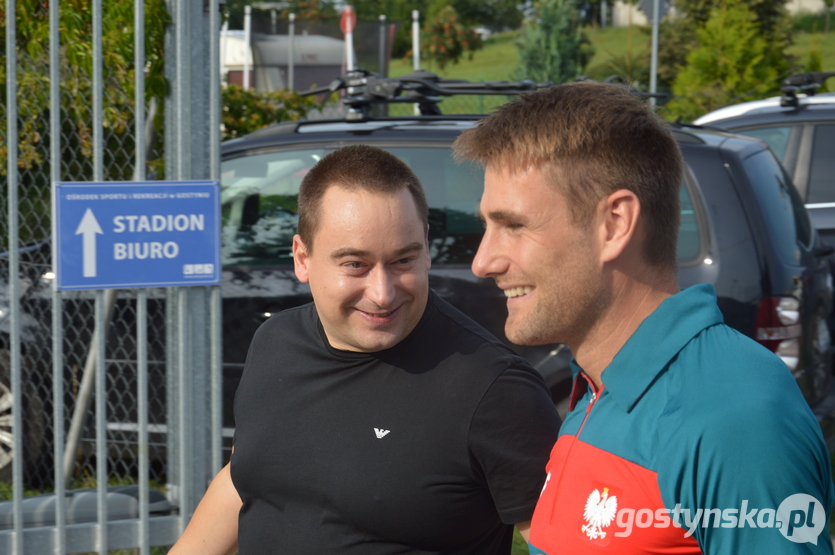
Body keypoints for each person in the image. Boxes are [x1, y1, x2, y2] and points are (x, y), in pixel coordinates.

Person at [453, 82, 835, 554]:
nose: (483, 261)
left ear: (614, 224)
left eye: (513, 226)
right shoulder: (598, 387)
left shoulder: (735, 417)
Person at [168, 144, 561, 555]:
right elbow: (245, 476)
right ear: (302, 258)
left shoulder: (494, 390)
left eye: (403, 261)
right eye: (355, 264)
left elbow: (558, 542)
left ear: (426, 248)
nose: (383, 293)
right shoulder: (274, 342)